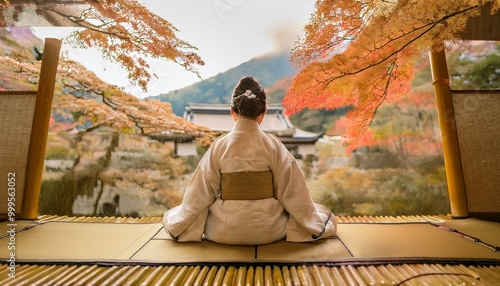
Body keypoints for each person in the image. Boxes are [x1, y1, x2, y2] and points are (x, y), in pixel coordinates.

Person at [163, 76, 336, 245]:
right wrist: (310, 220)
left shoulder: (219, 145)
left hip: (222, 231)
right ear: (263, 112)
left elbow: (199, 194)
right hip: (271, 230)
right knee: (320, 212)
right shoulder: (273, 144)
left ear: (232, 112)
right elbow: (294, 193)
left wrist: (183, 222)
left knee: (179, 213)